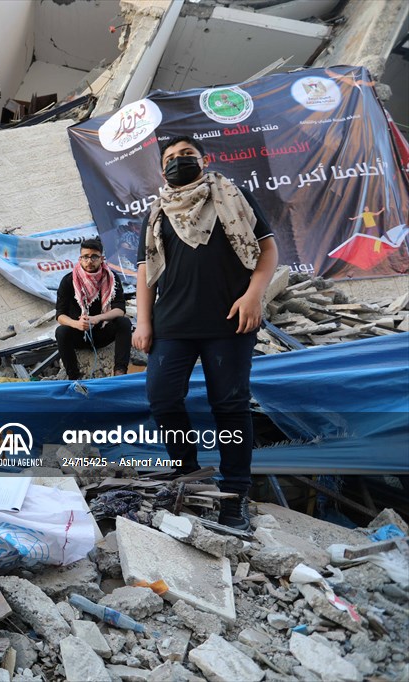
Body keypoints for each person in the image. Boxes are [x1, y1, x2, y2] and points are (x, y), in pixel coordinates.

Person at [133, 135, 278, 530]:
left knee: (230, 406)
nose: (179, 162)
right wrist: (143, 321)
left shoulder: (231, 195)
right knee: (162, 398)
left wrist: (253, 296)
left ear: (204, 159)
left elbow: (266, 248)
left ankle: (235, 495)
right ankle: (189, 475)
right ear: (161, 170)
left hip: (230, 321)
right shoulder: (157, 211)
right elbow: (146, 268)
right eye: (171, 158)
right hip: (172, 324)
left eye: (187, 156)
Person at [55, 238, 131, 380]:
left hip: (103, 330)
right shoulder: (68, 281)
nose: (89, 261)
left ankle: (120, 372)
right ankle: (74, 377)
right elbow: (60, 315)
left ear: (102, 258)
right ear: (80, 258)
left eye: (94, 257)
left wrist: (98, 318)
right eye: (86, 257)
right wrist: (76, 324)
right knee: (61, 331)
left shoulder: (111, 278)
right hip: (79, 334)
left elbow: (120, 309)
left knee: (124, 323)